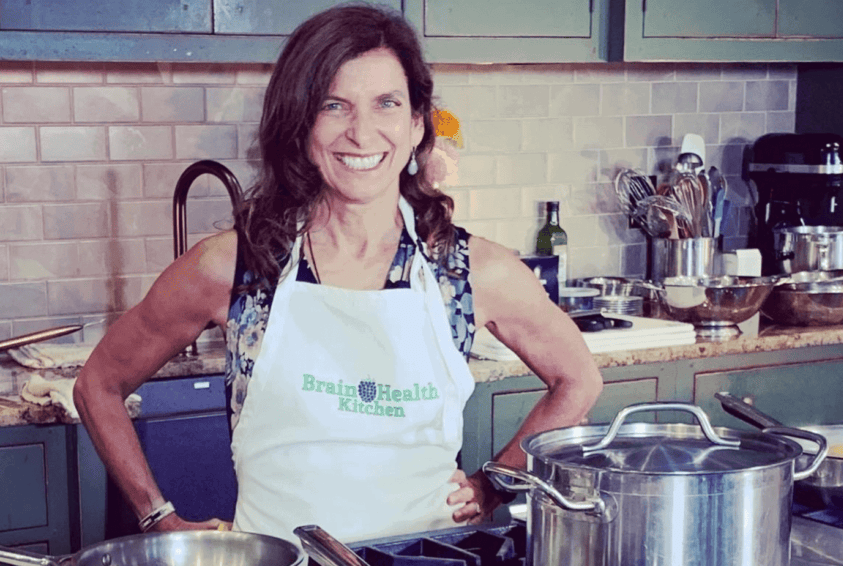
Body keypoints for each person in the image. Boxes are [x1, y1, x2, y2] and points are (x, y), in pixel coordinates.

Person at [74, 3, 603, 545]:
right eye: (334, 105)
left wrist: (496, 482)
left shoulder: (471, 272)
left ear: (417, 122)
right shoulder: (236, 267)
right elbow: (99, 384)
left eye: (386, 104)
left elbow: (578, 379)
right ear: (300, 124)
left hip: (427, 560)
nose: (361, 132)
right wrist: (157, 517)